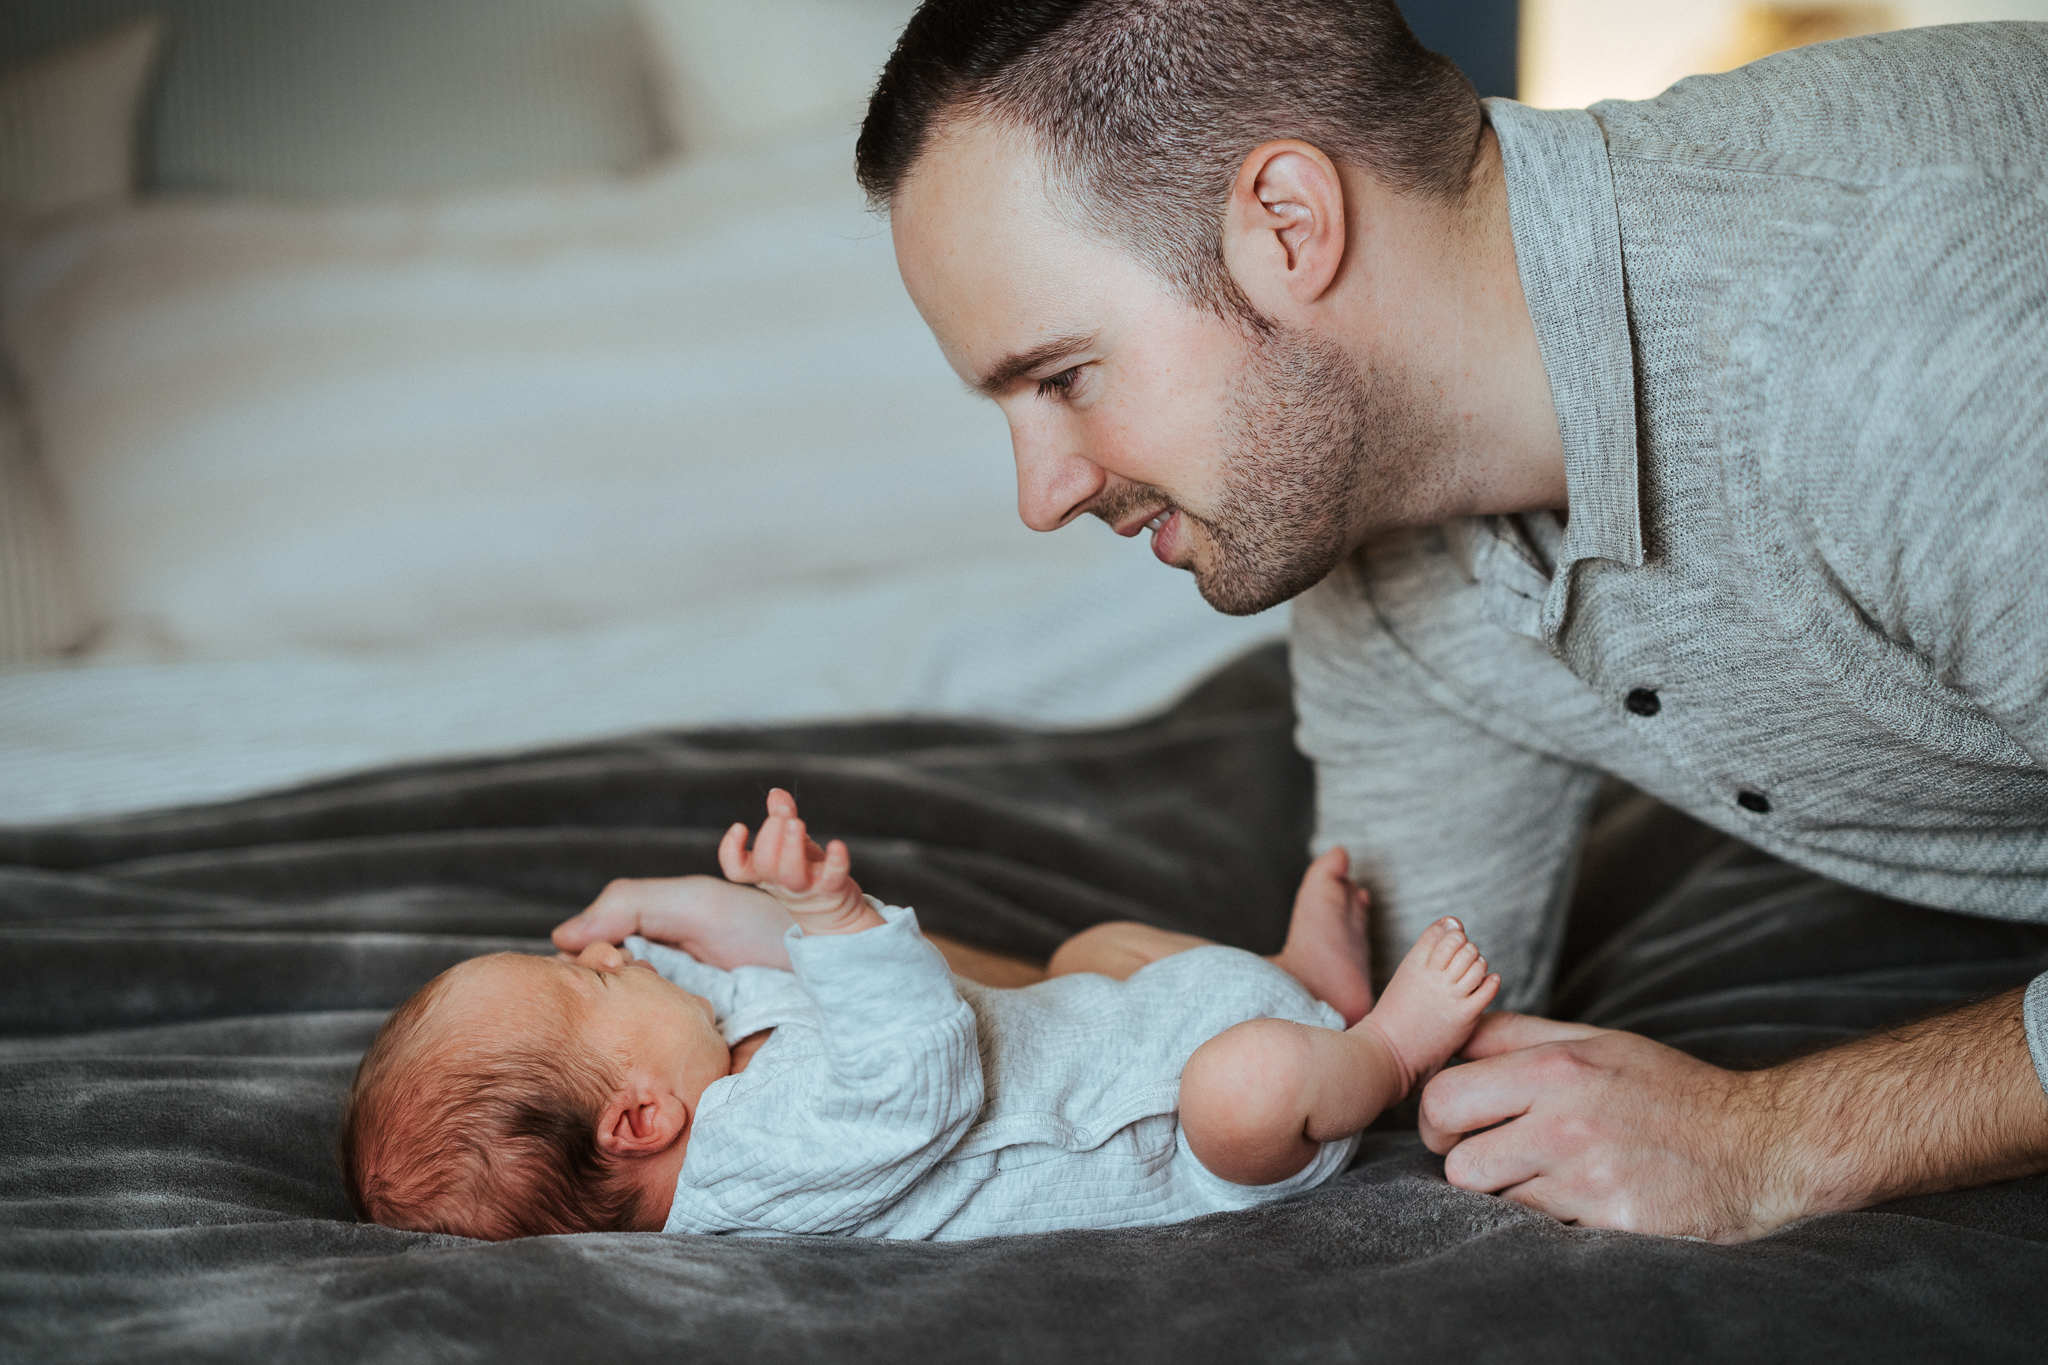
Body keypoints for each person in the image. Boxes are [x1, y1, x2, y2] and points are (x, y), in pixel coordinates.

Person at [852, 0, 2048, 1240]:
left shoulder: (1887, 349)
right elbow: (1358, 1046)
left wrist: (1776, 1137)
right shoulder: (1385, 566)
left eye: (1060, 379)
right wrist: (825, 989)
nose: (1039, 496)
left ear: (1287, 225)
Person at [339, 790, 1498, 1239]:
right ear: (638, 1120)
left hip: (1124, 1021)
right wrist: (833, 912)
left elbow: (751, 963)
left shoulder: (712, 1071)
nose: (629, 965)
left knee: (1089, 953)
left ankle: (1300, 976)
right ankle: (1382, 1050)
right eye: (599, 984)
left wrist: (668, 906)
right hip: (1176, 1139)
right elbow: (912, 1065)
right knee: (1242, 1087)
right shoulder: (755, 1164)